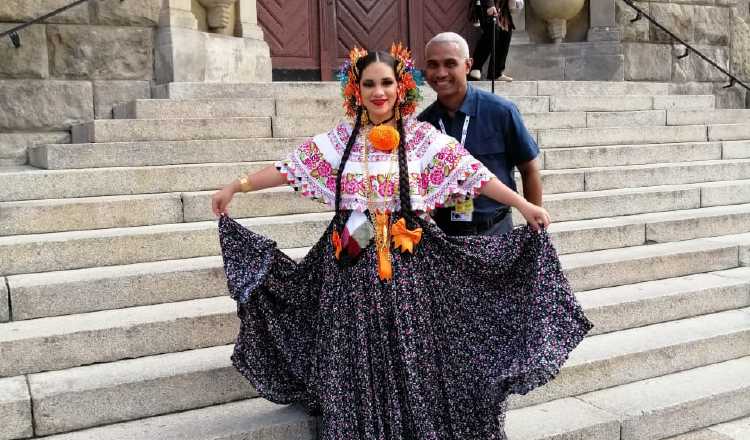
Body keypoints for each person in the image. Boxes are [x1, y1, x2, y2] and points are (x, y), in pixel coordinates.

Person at [211, 43, 591, 439]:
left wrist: (524, 206)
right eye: (369, 83)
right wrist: (237, 186)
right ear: (356, 90)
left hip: (409, 269)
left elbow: (475, 175)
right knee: (358, 358)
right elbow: (288, 169)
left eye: (387, 83)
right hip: (351, 270)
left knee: (411, 354)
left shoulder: (423, 139)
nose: (379, 92)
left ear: (401, 86)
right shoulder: (340, 140)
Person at [419, 32, 541, 237]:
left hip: (496, 231)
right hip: (445, 237)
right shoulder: (423, 125)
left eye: (450, 64)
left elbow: (529, 169)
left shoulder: (501, 111)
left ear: (467, 65)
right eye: (432, 64)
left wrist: (535, 228)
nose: (440, 73)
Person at [469, 0, 514, 81]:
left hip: (502, 7)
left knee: (506, 33)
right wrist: (489, 4)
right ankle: (475, 67)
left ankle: (496, 72)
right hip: (486, 4)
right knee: (492, 30)